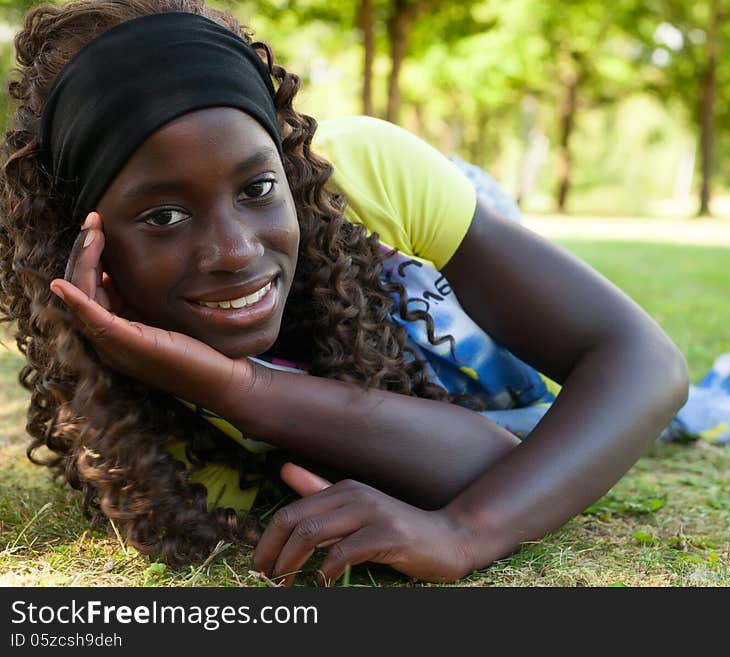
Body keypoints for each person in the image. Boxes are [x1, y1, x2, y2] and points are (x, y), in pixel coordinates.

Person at [0, 0, 689, 586]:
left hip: (441, 234)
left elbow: (642, 361)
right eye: (164, 216)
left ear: (285, 162)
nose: (235, 250)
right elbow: (487, 462)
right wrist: (227, 388)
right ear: (87, 245)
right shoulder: (131, 410)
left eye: (256, 188)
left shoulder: (363, 175)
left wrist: (463, 533)